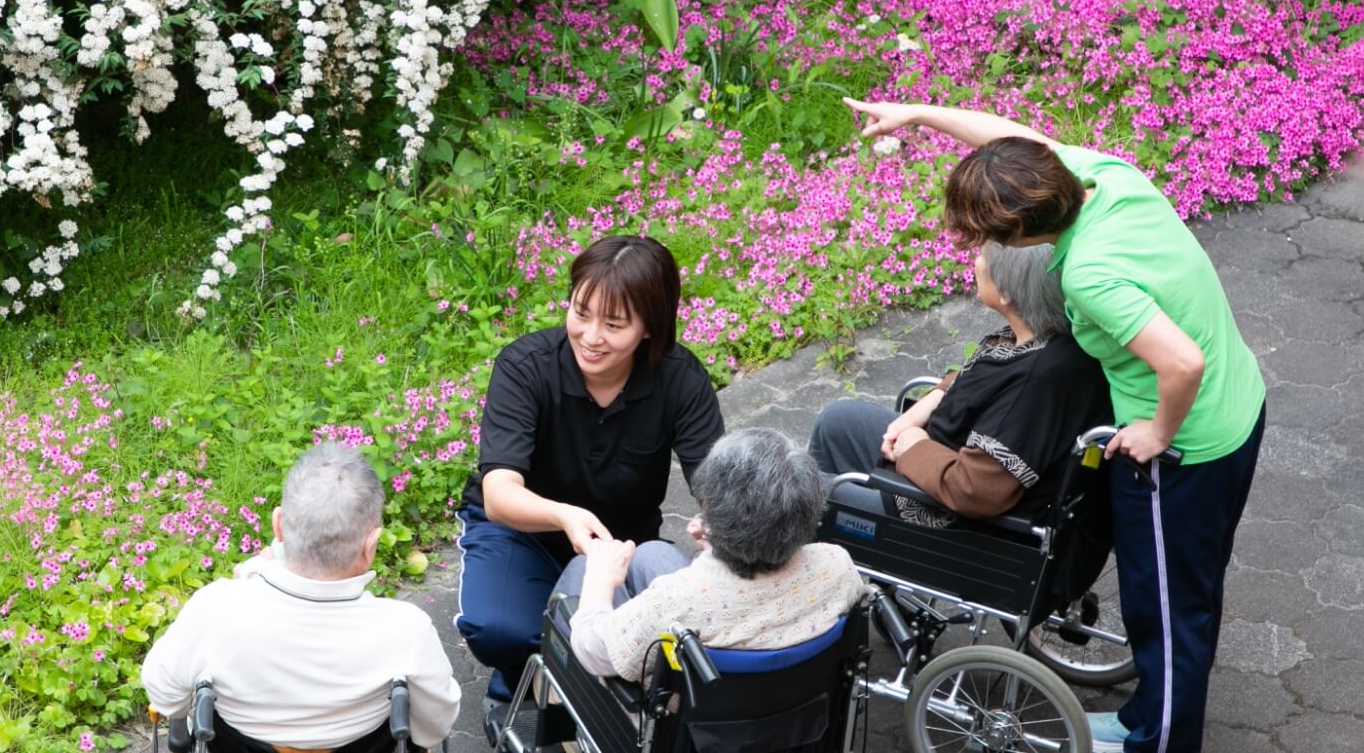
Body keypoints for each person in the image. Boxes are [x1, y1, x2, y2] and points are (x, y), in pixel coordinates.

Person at [846, 98, 1267, 753]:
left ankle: (1157, 742)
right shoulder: (1102, 177)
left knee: (1167, 611)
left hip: (1190, 445)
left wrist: (1157, 435)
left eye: (986, 239)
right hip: (1242, 401)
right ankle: (1144, 720)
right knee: (1188, 590)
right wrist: (918, 114)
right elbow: (1015, 137)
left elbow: (1181, 364)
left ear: (1019, 236)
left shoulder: (1089, 273)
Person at [456, 235, 727, 730]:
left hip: (621, 542)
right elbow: (498, 494)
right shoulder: (525, 367)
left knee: (670, 629)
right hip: (524, 530)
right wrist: (563, 514)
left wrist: (717, 520)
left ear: (650, 328)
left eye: (615, 324)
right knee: (502, 628)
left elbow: (717, 483)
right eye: (581, 313)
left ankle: (603, 705)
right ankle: (514, 687)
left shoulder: (681, 380)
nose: (591, 336)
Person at [140, 443, 460, 752]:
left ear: (278, 525)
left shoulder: (214, 610)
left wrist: (249, 580)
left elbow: (167, 697)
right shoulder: (407, 630)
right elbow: (434, 727)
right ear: (371, 544)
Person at [807, 241, 1114, 526]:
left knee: (793, 494)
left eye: (982, 256)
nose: (975, 260)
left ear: (1008, 293)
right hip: (941, 462)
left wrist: (915, 445)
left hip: (943, 521)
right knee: (836, 422)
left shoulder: (1036, 384)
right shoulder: (1054, 337)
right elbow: (989, 384)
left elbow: (977, 490)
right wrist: (934, 399)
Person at [558, 428, 868, 683]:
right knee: (653, 552)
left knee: (580, 571)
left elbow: (594, 653)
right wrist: (724, 544)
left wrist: (599, 580)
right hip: (794, 721)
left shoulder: (675, 605)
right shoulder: (837, 565)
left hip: (683, 728)